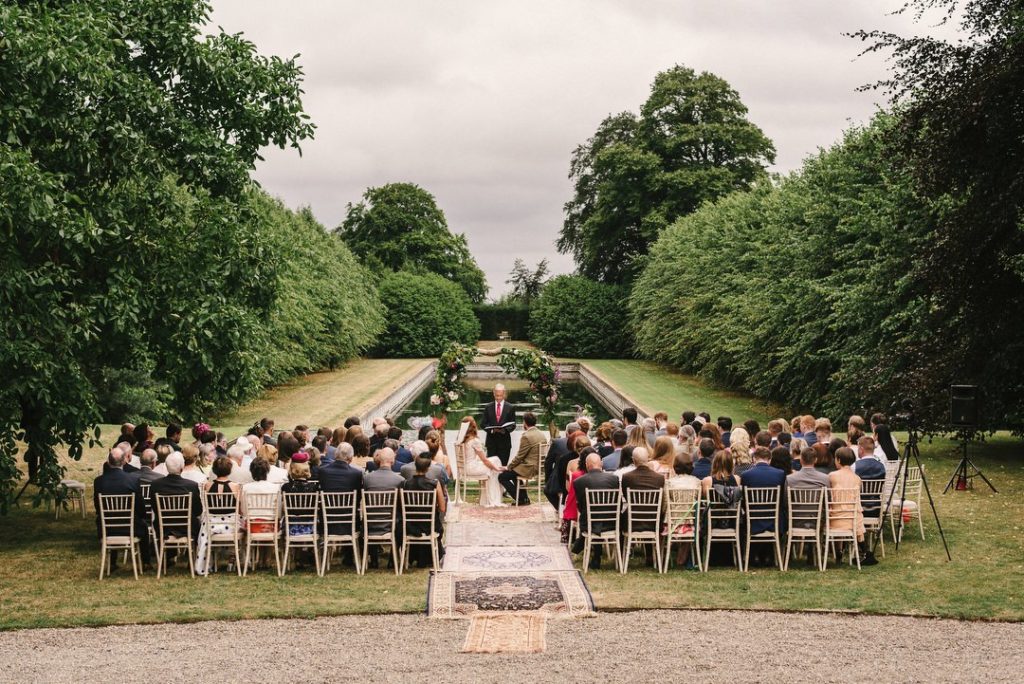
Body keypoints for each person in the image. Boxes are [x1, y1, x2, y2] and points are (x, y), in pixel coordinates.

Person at [93, 447, 149, 568]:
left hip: (106, 528)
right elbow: (140, 506)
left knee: (111, 517)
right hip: (131, 528)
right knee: (143, 524)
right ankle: (146, 562)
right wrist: (143, 517)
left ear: (108, 461)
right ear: (124, 461)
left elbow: (98, 507)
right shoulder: (133, 480)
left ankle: (113, 562)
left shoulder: (99, 481)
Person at [149, 453, 203, 565]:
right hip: (187, 527)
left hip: (163, 527)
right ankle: (191, 558)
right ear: (182, 468)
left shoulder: (155, 485)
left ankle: (168, 556)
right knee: (198, 523)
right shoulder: (191, 485)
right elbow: (198, 511)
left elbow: (154, 507)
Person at [738, 446, 786, 567]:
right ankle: (768, 555)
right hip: (773, 519)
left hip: (753, 519)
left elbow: (743, 498)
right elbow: (781, 499)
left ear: (754, 459)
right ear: (769, 460)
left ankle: (754, 555)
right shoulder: (780, 474)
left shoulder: (746, 475)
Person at [570, 453, 619, 570]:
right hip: (611, 523)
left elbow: (581, 507)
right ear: (601, 464)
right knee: (597, 518)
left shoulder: (579, 482)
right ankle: (592, 553)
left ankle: (582, 548)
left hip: (589, 523)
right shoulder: (614, 479)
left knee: (591, 518)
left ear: (587, 465)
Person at [829, 447, 876, 566]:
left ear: (838, 460)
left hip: (834, 521)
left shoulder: (832, 476)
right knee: (854, 514)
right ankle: (865, 552)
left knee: (835, 512)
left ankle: (838, 551)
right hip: (853, 521)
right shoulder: (857, 479)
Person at [404, 455, 446, 567]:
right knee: (438, 525)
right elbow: (442, 508)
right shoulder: (434, 484)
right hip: (429, 525)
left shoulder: (406, 484)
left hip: (412, 525)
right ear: (428, 468)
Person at [457, 416, 506, 507]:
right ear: (473, 426)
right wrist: (497, 469)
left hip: (463, 468)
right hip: (471, 468)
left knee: (495, 459)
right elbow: (485, 460)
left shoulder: (461, 440)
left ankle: (487, 499)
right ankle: (493, 498)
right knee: (493, 467)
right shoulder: (474, 440)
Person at [499, 412, 546, 505]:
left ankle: (519, 499)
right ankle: (524, 499)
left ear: (524, 423)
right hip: (538, 467)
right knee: (515, 474)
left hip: (529, 467)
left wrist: (508, 467)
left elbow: (520, 456)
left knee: (502, 476)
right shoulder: (541, 434)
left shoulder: (526, 436)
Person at [481, 383, 516, 465]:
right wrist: (492, 430)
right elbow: (483, 424)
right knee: (491, 468)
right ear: (493, 394)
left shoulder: (510, 407)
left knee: (502, 468)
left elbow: (513, 425)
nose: (498, 398)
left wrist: (505, 430)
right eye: (497, 396)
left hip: (504, 443)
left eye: (500, 396)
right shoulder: (488, 407)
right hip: (491, 443)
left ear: (504, 394)